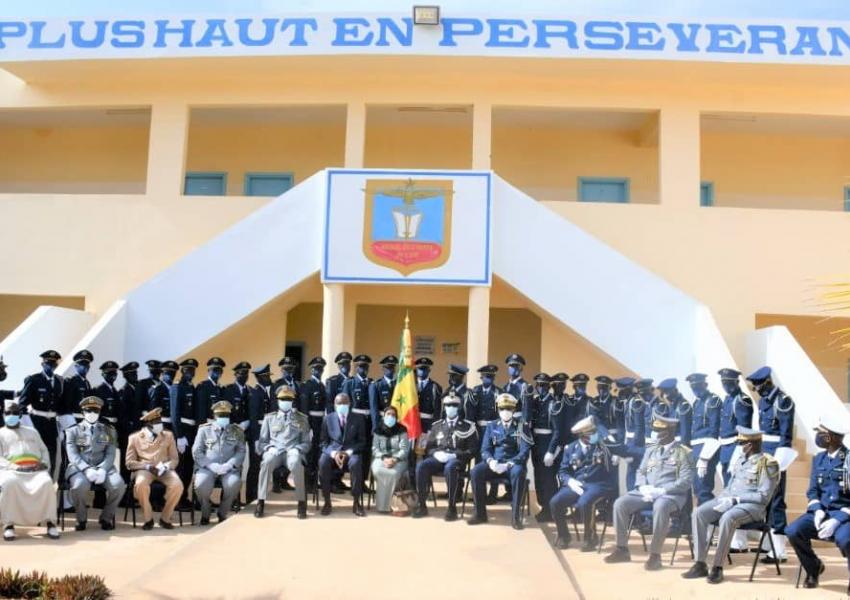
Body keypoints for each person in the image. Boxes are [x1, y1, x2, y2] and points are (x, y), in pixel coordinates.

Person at [683, 426, 779, 584]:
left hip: (752, 508)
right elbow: (731, 486)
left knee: (727, 518)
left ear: (750, 445)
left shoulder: (768, 464)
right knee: (699, 513)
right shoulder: (741, 460)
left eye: (741, 444)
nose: (739, 447)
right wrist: (722, 499)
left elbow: (763, 497)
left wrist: (736, 500)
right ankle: (700, 563)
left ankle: (717, 567)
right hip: (730, 501)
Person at [604, 414, 694, 571]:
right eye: (655, 430)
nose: (655, 434)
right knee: (620, 503)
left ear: (669, 432)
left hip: (671, 495)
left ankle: (655, 555)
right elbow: (641, 471)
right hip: (648, 492)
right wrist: (641, 486)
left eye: (659, 431)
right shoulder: (652, 450)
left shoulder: (683, 452)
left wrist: (663, 490)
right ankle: (622, 549)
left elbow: (686, 481)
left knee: (660, 506)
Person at [786, 416, 850, 589]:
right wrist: (817, 509)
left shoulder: (849, 459)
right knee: (793, 531)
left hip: (844, 517)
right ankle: (813, 568)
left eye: (821, 433)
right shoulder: (819, 458)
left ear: (832, 436)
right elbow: (813, 490)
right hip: (821, 514)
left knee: (846, 540)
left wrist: (838, 519)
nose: (818, 437)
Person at [747, 366, 795, 564]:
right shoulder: (763, 401)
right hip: (764, 453)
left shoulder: (783, 401)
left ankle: (779, 550)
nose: (757, 390)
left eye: (758, 386)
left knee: (776, 502)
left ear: (767, 382)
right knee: (764, 499)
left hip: (776, 455)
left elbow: (785, 436)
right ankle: (768, 544)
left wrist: (779, 462)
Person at [550, 416, 616, 550]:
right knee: (555, 502)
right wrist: (571, 482)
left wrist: (599, 426)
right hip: (577, 484)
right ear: (582, 436)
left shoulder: (603, 447)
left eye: (594, 433)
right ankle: (564, 536)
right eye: (591, 434)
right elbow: (563, 471)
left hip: (597, 484)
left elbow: (611, 441)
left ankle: (590, 538)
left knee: (584, 502)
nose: (594, 436)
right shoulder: (570, 448)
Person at [468, 392, 532, 530]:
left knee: (519, 472)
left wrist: (510, 463)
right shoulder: (492, 426)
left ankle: (515, 518)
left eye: (508, 408)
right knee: (475, 472)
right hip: (495, 464)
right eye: (502, 408)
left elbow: (524, 451)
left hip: (511, 465)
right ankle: (480, 514)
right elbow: (485, 448)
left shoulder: (522, 426)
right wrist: (491, 461)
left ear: (514, 410)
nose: (505, 412)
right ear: (498, 409)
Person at [413, 392, 478, 521]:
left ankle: (451, 507)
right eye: (448, 405)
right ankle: (422, 505)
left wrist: (454, 454)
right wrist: (436, 453)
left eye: (454, 405)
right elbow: (428, 447)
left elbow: (473, 450)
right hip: (438, 458)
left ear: (458, 407)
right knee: (421, 466)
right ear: (444, 407)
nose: (450, 408)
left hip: (456, 460)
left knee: (450, 468)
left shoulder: (468, 426)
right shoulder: (437, 425)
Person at [0, 400, 59, 541]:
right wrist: (15, 467)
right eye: (8, 413)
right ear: (3, 414)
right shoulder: (0, 433)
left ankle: (51, 524)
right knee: (9, 484)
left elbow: (44, 451)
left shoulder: (32, 432)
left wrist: (43, 464)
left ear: (20, 415)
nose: (11, 415)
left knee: (46, 483)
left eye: (15, 413)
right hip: (11, 471)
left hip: (35, 471)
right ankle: (9, 525)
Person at [65, 396, 126, 531]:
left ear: (99, 412)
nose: (92, 414)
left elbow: (110, 453)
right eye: (88, 411)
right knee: (78, 487)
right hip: (80, 468)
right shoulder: (72, 430)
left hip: (104, 467)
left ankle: (106, 518)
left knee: (119, 485)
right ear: (83, 412)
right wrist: (86, 469)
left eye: (95, 411)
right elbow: (73, 455)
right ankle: (81, 519)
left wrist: (103, 469)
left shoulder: (109, 430)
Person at [254, 387, 311, 519]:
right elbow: (261, 442)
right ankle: (261, 501)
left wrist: (298, 449)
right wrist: (268, 448)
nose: (286, 401)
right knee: (266, 463)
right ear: (278, 401)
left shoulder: (302, 418)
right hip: (275, 452)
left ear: (292, 401)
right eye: (283, 399)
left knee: (297, 464)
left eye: (288, 399)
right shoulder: (269, 418)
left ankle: (301, 502)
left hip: (292, 451)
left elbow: (307, 443)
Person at [125, 407, 183, 530]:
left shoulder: (168, 435)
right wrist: (146, 466)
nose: (160, 425)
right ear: (149, 424)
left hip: (164, 469)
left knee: (178, 485)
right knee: (140, 484)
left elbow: (174, 459)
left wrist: (166, 466)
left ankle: (165, 518)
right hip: (145, 469)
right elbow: (129, 463)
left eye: (160, 422)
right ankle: (148, 518)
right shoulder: (135, 437)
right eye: (157, 423)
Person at [192, 400, 246, 525]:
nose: (223, 418)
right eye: (221, 415)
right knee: (200, 485)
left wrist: (230, 464)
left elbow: (241, 451)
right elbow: (196, 451)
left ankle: (222, 512)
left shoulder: (237, 431)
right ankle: (205, 513)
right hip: (208, 467)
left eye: (226, 415)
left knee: (234, 484)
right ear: (214, 416)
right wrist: (210, 464)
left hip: (229, 468)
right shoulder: (204, 430)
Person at [18, 350, 65, 478]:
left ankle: (47, 485)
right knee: (35, 456)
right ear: (43, 364)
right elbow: (22, 404)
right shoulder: (33, 380)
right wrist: (27, 425)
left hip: (52, 426)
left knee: (51, 458)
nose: (50, 366)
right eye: (48, 363)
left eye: (53, 364)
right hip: (36, 423)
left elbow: (61, 405)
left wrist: (62, 425)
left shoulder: (60, 381)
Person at [319, 393, 367, 517]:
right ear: (335, 405)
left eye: (345, 403)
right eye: (339, 403)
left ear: (349, 404)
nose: (342, 405)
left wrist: (348, 452)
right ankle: (327, 502)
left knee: (356, 463)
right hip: (333, 452)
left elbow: (362, 441)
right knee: (323, 462)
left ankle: (356, 503)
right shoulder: (327, 418)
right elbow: (323, 443)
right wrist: (334, 453)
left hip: (351, 452)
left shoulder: (358, 418)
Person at [528, 372, 561, 522]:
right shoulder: (535, 402)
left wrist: (551, 451)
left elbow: (557, 431)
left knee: (548, 479)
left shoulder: (553, 403)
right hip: (536, 445)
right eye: (538, 385)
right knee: (538, 478)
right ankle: (543, 507)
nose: (541, 388)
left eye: (544, 385)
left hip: (547, 445)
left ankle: (550, 509)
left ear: (549, 387)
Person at [686, 373, 722, 504]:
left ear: (705, 385)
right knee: (696, 488)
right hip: (696, 447)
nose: (696, 390)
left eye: (698, 387)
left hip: (707, 448)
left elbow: (714, 431)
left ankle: (708, 519)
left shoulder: (713, 400)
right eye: (693, 388)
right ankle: (701, 520)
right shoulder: (697, 402)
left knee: (704, 489)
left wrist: (704, 458)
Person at [170, 358, 199, 508]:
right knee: (180, 467)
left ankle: (184, 497)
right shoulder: (177, 387)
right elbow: (175, 415)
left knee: (189, 466)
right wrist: (179, 436)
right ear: (182, 371)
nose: (190, 373)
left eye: (193, 370)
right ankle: (177, 499)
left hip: (191, 432)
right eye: (188, 370)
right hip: (182, 433)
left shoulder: (192, 387)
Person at [717, 368, 753, 485]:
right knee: (727, 484)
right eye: (723, 383)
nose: (725, 386)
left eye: (728, 383)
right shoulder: (728, 399)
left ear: (736, 382)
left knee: (736, 484)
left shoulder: (742, 400)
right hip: (725, 448)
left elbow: (744, 428)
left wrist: (740, 450)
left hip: (735, 447)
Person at [370, 406, 410, 513]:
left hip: (399, 460)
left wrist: (395, 459)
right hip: (381, 458)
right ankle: (382, 506)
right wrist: (384, 458)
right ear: (383, 415)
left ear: (396, 417)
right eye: (388, 414)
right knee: (379, 470)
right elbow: (374, 448)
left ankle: (392, 505)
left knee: (393, 473)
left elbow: (405, 449)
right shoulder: (377, 430)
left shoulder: (402, 429)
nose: (390, 417)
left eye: (393, 415)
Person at [299, 356, 329, 491]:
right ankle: (307, 484)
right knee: (309, 453)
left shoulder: (322, 386)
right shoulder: (307, 385)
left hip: (321, 423)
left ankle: (314, 481)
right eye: (316, 369)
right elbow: (304, 408)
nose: (319, 371)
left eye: (321, 369)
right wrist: (307, 427)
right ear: (311, 370)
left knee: (318, 452)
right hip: (311, 422)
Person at [246, 363, 273, 503]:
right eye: (265, 376)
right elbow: (253, 418)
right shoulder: (256, 393)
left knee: (261, 465)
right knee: (255, 465)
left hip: (264, 432)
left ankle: (257, 494)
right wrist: (256, 439)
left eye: (268, 375)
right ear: (258, 378)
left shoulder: (264, 392)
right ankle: (251, 496)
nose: (269, 378)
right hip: (258, 434)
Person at [118, 361, 140, 486]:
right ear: (126, 376)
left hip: (137, 432)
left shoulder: (137, 389)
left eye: (136, 373)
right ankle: (125, 493)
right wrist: (131, 431)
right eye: (132, 374)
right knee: (126, 463)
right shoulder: (124, 391)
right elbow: (123, 416)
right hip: (128, 433)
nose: (135, 376)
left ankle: (131, 493)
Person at [62, 349, 94, 424]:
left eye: (87, 364)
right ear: (76, 366)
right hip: (73, 419)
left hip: (84, 420)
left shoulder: (87, 383)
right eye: (82, 364)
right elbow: (66, 404)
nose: (85, 367)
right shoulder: (70, 381)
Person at [369, 355, 397, 433]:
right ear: (383, 369)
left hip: (396, 422)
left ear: (394, 369)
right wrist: (375, 426)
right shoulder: (376, 385)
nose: (390, 370)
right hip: (382, 421)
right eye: (387, 368)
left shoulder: (398, 385)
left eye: (392, 367)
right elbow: (374, 408)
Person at [196, 357, 226, 422]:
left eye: (220, 370)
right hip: (207, 425)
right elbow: (200, 412)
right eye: (214, 369)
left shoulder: (221, 389)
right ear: (208, 371)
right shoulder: (203, 386)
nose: (217, 372)